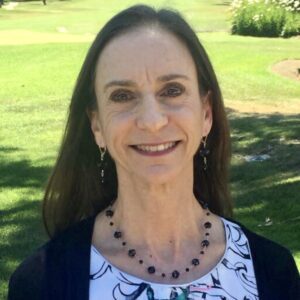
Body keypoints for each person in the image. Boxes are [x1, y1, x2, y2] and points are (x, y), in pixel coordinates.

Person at [8, 5, 299, 300]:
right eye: (122, 96)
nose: (152, 121)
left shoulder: (273, 272)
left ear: (206, 113)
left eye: (172, 90)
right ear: (97, 125)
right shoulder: (42, 283)